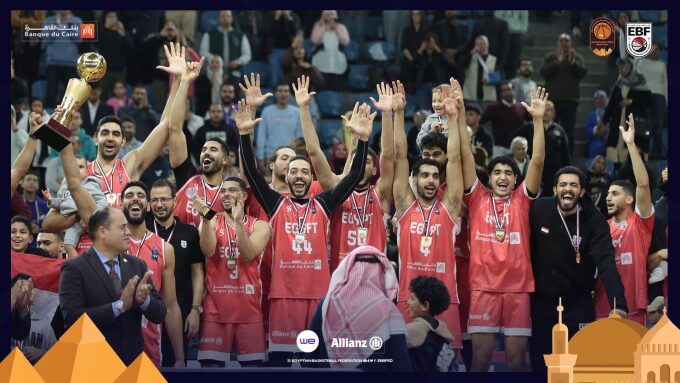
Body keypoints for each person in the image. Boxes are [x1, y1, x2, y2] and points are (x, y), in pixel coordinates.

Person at [236, 96, 373, 365]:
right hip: (283, 296)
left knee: (316, 364)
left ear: (311, 179)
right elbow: (251, 172)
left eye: (304, 173)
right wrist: (243, 135)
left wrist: (363, 140)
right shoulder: (275, 203)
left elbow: (354, 176)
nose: (299, 176)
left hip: (318, 298)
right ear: (285, 177)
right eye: (293, 172)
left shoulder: (324, 203)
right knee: (282, 364)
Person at [459, 86, 547, 372]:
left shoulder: (522, 200)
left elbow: (537, 161)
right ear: (490, 177)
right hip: (483, 288)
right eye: (497, 172)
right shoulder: (476, 197)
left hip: (518, 291)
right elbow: (464, 156)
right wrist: (458, 114)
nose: (503, 177)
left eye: (509, 173)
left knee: (516, 362)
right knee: (480, 360)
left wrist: (537, 121)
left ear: (515, 179)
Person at [528, 165, 628, 374]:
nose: (568, 189)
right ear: (554, 189)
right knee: (541, 363)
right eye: (562, 184)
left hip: (578, 301)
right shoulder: (538, 210)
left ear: (582, 191)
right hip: (541, 302)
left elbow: (607, 263)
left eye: (574, 185)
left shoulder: (594, 220)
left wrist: (619, 304)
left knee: (579, 362)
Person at [294, 77, 395, 272]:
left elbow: (389, 155)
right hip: (341, 275)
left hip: (374, 275)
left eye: (366, 162)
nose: (360, 165)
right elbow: (314, 151)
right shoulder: (336, 191)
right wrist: (304, 109)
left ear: (375, 169)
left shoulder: (380, 193)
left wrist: (387, 114)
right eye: (357, 161)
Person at [393, 79, 463, 351]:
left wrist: (454, 117)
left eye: (435, 175)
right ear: (416, 179)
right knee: (406, 366)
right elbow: (400, 157)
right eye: (424, 175)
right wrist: (399, 114)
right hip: (406, 298)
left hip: (446, 299)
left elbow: (455, 160)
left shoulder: (450, 207)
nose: (431, 180)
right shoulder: (404, 206)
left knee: (449, 364)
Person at [58, 207, 166, 365]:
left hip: (132, 364)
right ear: (102, 232)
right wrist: (119, 307)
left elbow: (160, 314)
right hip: (93, 365)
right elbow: (73, 319)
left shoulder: (138, 266)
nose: (128, 232)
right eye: (122, 227)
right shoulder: (75, 268)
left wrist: (145, 301)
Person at [196, 177, 271, 367]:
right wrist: (205, 221)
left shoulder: (261, 225)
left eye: (231, 190)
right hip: (215, 311)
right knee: (210, 368)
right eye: (223, 191)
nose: (226, 194)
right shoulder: (211, 219)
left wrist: (238, 223)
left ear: (244, 196)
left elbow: (248, 254)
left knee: (253, 369)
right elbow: (208, 251)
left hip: (249, 311)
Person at [305, 246, 411, 371]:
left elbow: (309, 350)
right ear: (381, 274)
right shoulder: (388, 311)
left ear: (348, 271)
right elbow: (401, 365)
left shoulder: (327, 304)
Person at [594, 114, 655, 326]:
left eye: (615, 193)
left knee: (633, 360)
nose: (608, 198)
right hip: (602, 306)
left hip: (632, 307)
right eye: (608, 194)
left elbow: (643, 184)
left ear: (630, 199)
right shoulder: (602, 228)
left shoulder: (640, 224)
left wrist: (630, 144)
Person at [120, 181, 185, 367]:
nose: (135, 199)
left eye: (140, 196)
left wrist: (180, 358)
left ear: (148, 205)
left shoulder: (165, 248)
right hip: (115, 338)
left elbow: (170, 305)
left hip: (151, 342)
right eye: (129, 195)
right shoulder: (110, 244)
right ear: (121, 203)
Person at [146, 179, 204, 367]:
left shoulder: (190, 232)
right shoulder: (143, 228)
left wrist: (195, 310)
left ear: (175, 200)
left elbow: (197, 274)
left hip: (181, 310)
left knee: (177, 364)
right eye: (154, 200)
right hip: (147, 312)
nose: (159, 205)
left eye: (164, 199)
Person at [511, 100, 570, 197]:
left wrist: (567, 170)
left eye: (548, 110)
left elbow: (566, 152)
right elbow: (512, 139)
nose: (546, 112)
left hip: (554, 172)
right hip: (535, 169)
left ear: (552, 112)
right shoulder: (529, 127)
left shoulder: (559, 130)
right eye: (543, 110)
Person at [540, 33, 587, 154]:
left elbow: (583, 73)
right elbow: (543, 72)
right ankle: (548, 155)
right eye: (561, 41)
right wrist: (557, 62)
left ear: (570, 43)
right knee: (549, 130)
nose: (564, 43)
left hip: (570, 100)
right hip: (552, 101)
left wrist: (572, 63)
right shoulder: (551, 57)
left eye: (566, 41)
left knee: (568, 133)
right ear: (558, 43)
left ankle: (567, 159)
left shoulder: (577, 57)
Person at [600, 58, 652, 168]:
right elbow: (611, 105)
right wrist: (603, 121)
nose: (621, 71)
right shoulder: (619, 84)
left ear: (630, 68)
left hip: (634, 121)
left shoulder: (641, 82)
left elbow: (648, 102)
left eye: (623, 68)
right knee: (616, 152)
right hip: (619, 120)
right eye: (619, 68)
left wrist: (632, 101)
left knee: (633, 153)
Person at [406, 276, 456, 372]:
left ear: (425, 306)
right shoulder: (441, 331)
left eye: (412, 298)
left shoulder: (414, 330)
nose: (408, 302)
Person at [254, 81, 301, 171]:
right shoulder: (267, 111)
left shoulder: (297, 112)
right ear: (276, 93)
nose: (283, 93)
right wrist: (260, 157)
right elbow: (261, 136)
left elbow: (300, 137)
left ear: (290, 94)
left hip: (291, 156)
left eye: (286, 91)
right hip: (271, 156)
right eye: (280, 91)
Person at [635, 42, 667, 158]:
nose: (654, 50)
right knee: (644, 124)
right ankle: (642, 152)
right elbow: (634, 68)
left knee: (658, 125)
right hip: (645, 94)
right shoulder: (642, 62)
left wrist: (666, 101)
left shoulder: (662, 65)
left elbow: (665, 83)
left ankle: (656, 152)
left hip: (659, 96)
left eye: (657, 49)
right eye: (652, 48)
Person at [199, 10, 252, 78]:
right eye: (222, 16)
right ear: (219, 18)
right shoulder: (209, 34)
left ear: (232, 18)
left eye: (228, 16)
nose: (225, 18)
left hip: (234, 73)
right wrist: (213, 58)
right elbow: (202, 51)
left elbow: (247, 55)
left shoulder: (240, 35)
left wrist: (238, 61)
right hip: (214, 72)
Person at [479, 81, 528, 148]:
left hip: (519, 148)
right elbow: (479, 122)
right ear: (501, 93)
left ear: (514, 91)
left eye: (509, 89)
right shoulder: (493, 108)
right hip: (500, 147)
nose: (507, 92)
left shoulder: (522, 107)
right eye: (504, 91)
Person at [310, 10, 350, 91]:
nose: (330, 17)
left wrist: (336, 30)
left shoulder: (341, 27)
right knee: (321, 88)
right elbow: (315, 40)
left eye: (332, 15)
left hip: (338, 63)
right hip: (321, 63)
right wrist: (323, 27)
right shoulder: (318, 26)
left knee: (335, 88)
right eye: (327, 15)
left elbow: (345, 42)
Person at [462, 35, 498, 107]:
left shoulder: (493, 59)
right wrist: (472, 52)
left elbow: (497, 76)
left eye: (482, 44)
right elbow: (462, 64)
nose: (479, 46)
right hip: (471, 94)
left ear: (487, 45)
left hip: (488, 95)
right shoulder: (471, 57)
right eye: (477, 44)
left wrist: (488, 80)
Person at [584, 90, 609, 160]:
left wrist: (606, 130)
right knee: (596, 145)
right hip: (596, 140)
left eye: (601, 98)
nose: (599, 100)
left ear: (606, 100)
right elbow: (587, 130)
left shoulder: (612, 115)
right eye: (597, 98)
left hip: (609, 139)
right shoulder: (591, 116)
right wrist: (597, 129)